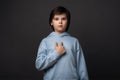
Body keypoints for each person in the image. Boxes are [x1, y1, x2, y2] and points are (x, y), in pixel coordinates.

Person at [35, 6, 89, 80]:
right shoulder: (45, 41)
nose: (60, 22)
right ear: (51, 22)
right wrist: (56, 53)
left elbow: (81, 67)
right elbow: (39, 65)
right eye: (56, 19)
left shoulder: (74, 41)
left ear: (68, 21)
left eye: (63, 19)